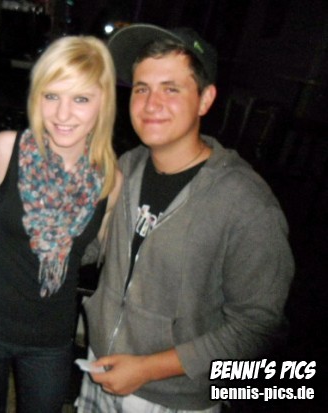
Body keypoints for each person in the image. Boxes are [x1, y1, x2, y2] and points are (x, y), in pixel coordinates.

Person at [77, 24, 294, 412]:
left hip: (174, 397)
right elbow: (94, 245)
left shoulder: (246, 203)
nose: (151, 104)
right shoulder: (126, 167)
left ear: (205, 99)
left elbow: (257, 327)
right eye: (141, 88)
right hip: (101, 367)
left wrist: (148, 369)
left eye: (171, 89)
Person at [0, 35, 123, 413]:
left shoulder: (110, 179)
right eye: (52, 95)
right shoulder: (6, 148)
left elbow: (92, 255)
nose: (62, 114)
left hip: (50, 336)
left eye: (80, 99)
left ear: (103, 103)